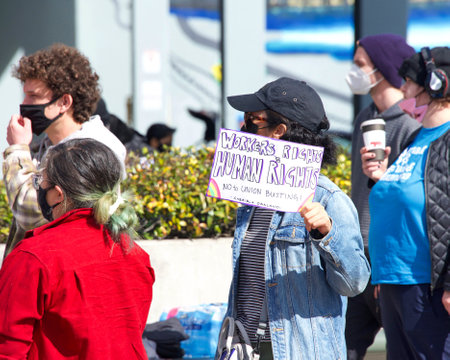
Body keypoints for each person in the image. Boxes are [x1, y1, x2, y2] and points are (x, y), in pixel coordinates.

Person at [221, 77, 370, 359]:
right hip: (247, 348)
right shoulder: (252, 196)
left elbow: (355, 283)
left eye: (253, 120)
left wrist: (326, 232)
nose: (243, 128)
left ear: (279, 130)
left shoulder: (327, 198)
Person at [0, 138, 155, 359]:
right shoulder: (134, 254)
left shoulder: (33, 256)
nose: (39, 189)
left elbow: (7, 348)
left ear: (58, 194)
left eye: (39, 182)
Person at [361, 46, 450, 359]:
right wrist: (380, 177)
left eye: (409, 80)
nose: (402, 88)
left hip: (430, 285)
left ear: (437, 83)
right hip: (394, 280)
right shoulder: (417, 139)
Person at [3, 43, 126, 258]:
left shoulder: (94, 148)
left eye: (34, 96)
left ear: (64, 102)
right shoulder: (48, 144)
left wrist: (17, 150)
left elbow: (32, 213)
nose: (24, 104)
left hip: (65, 274)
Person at [344, 33, 420, 359]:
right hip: (355, 255)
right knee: (343, 346)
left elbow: (407, 200)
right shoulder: (365, 118)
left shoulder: (411, 125)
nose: (354, 71)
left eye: (361, 64)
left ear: (384, 68)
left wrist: (384, 261)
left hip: (389, 261)